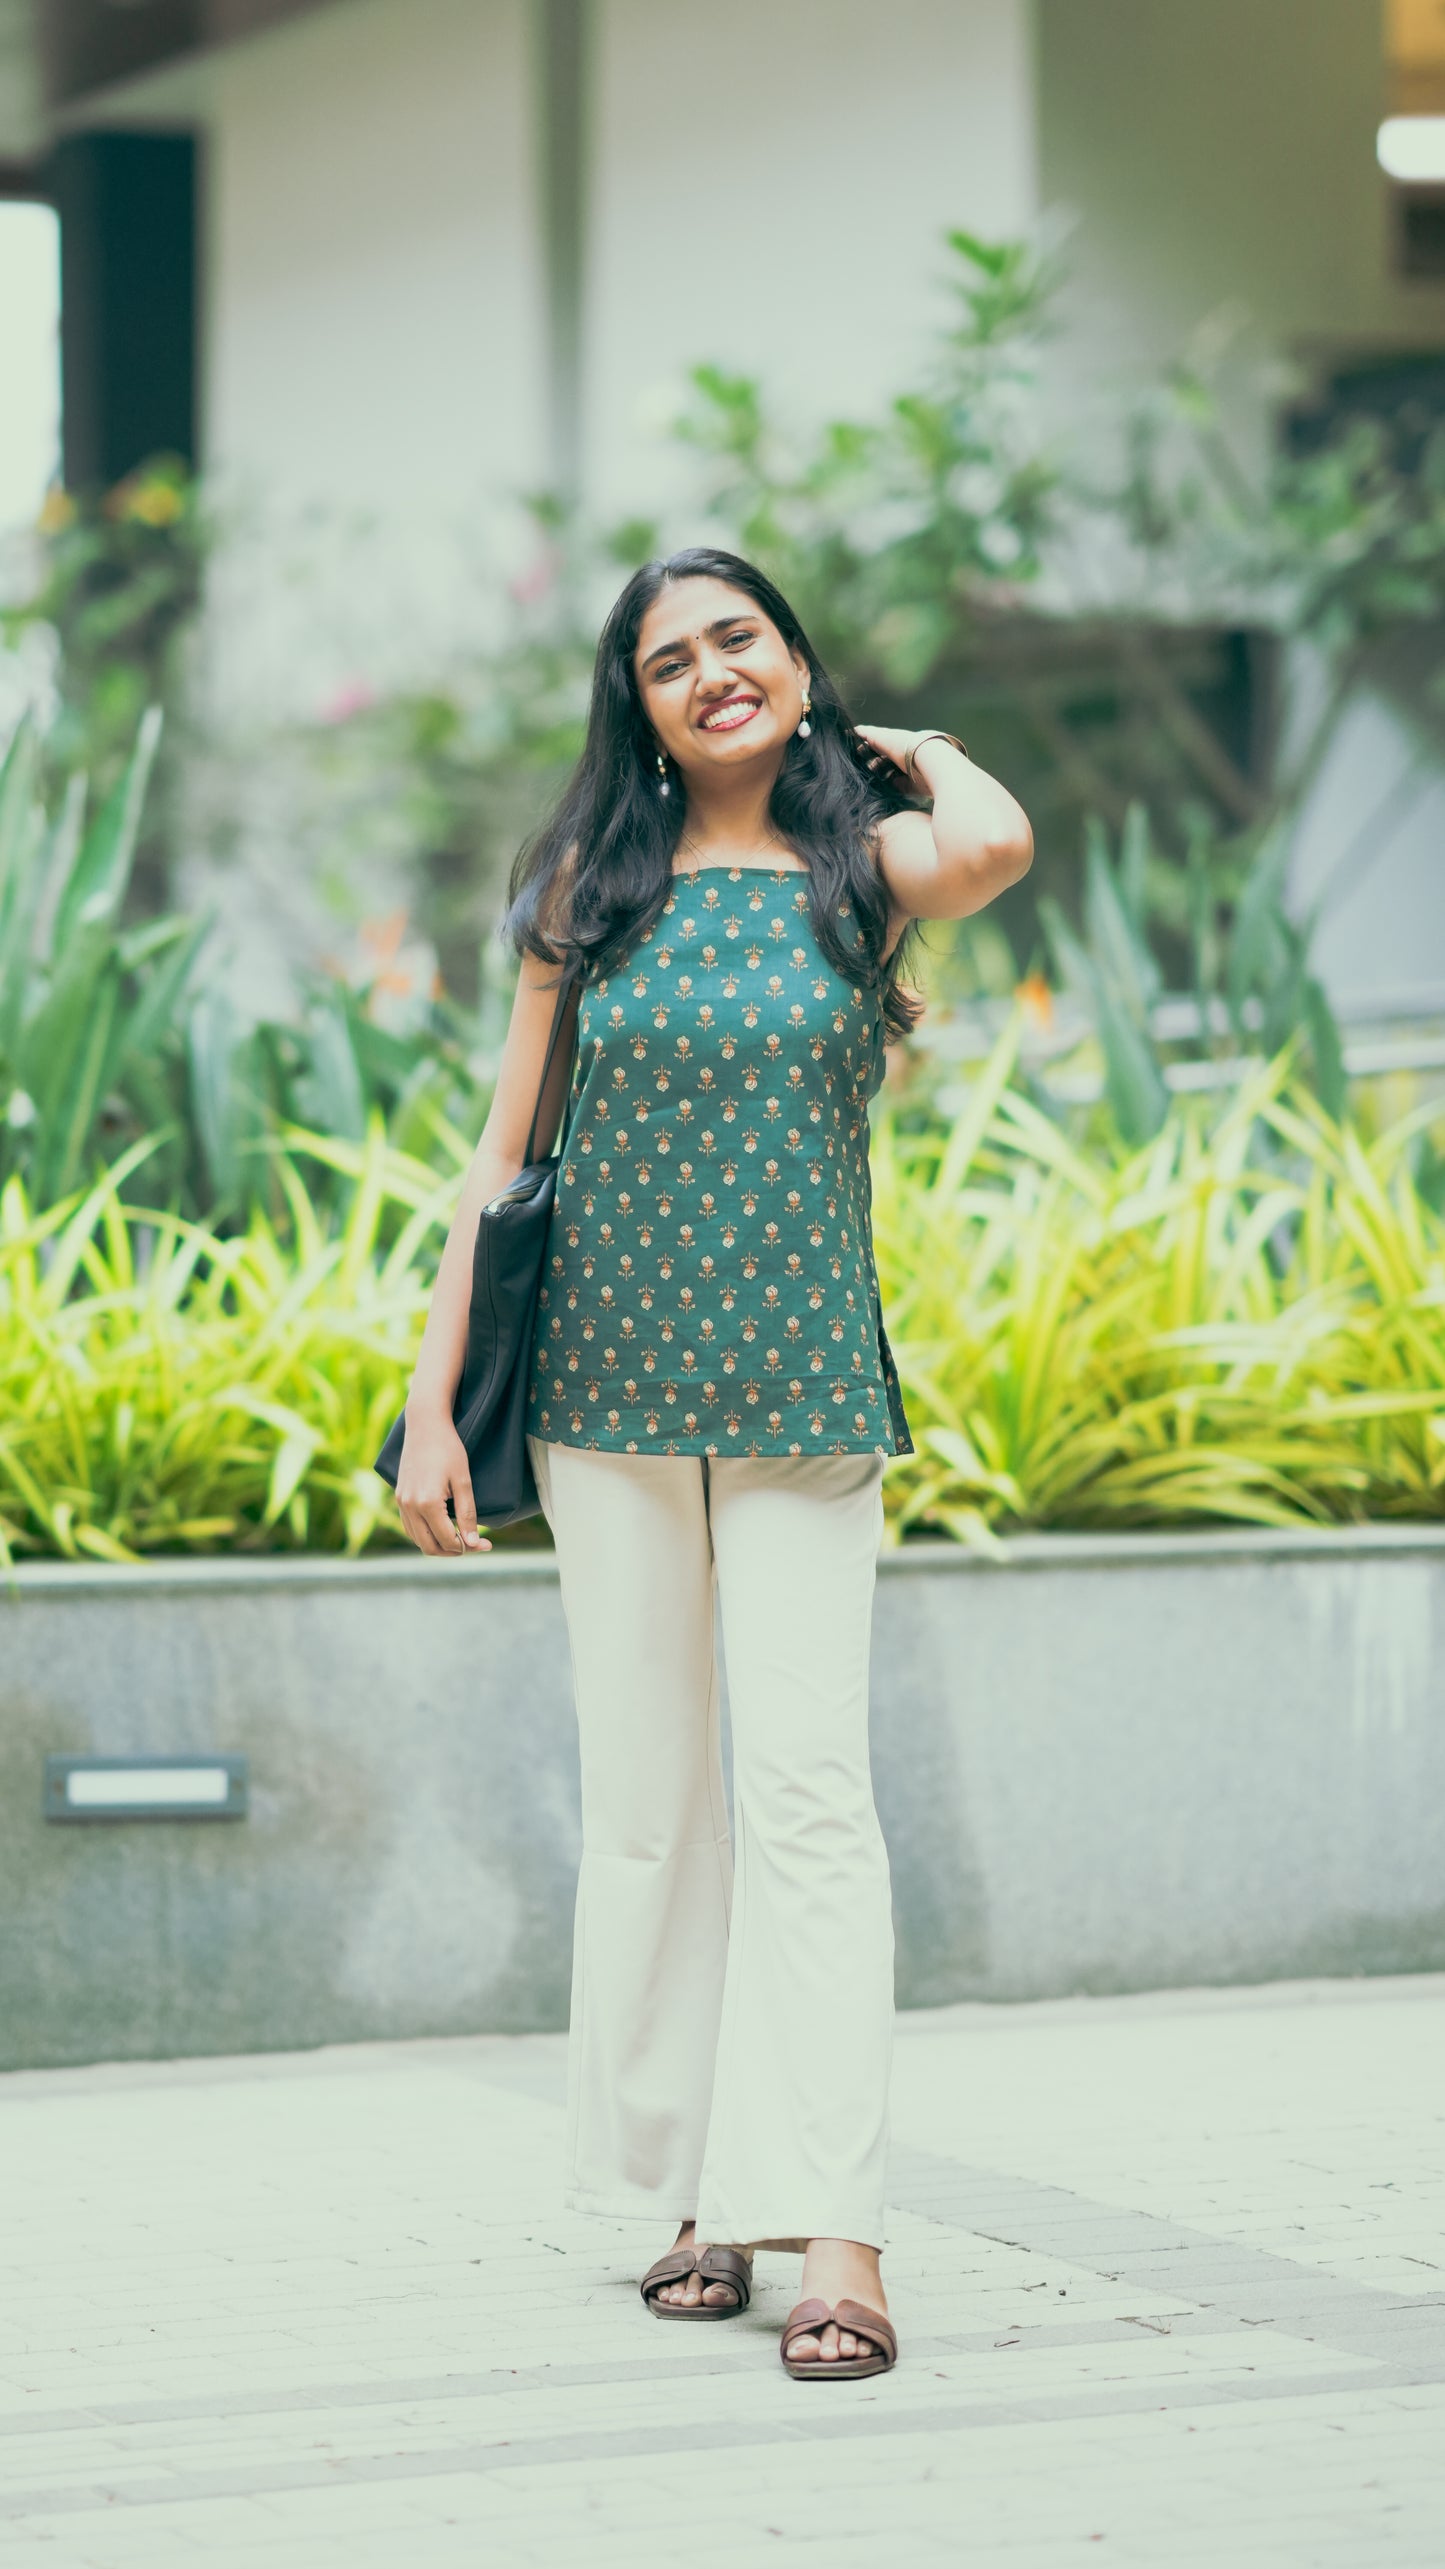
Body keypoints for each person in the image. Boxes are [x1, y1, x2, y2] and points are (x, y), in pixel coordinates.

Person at [394, 547, 1032, 2378]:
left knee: (811, 1800)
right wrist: (437, 1404)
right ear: (638, 705)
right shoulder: (586, 891)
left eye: (737, 640)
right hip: (600, 1398)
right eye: (668, 660)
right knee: (654, 1807)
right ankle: (690, 2197)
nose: (708, 674)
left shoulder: (864, 871)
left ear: (791, 660)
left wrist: (898, 741)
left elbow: (989, 846)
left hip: (804, 1398)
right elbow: (498, 1159)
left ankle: (841, 2229)